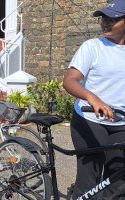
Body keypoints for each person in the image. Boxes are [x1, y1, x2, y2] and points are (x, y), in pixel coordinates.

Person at [63, 0, 125, 199]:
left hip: (121, 123)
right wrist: (93, 98)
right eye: (103, 18)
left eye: (113, 19)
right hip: (89, 120)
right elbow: (70, 80)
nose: (105, 22)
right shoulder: (92, 47)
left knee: (118, 183)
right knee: (90, 183)